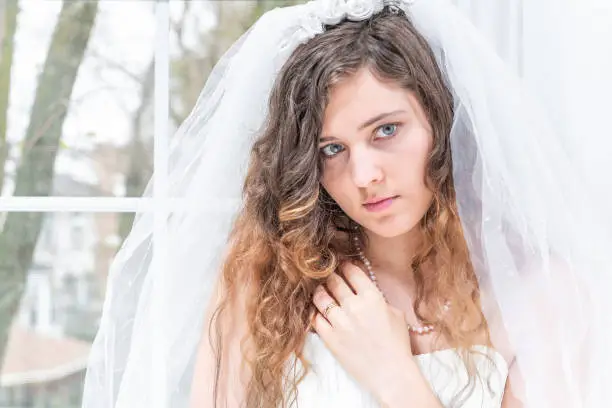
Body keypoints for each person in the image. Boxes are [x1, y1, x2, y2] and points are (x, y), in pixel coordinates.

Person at [81, 1, 612, 407]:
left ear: (443, 124)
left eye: (386, 130)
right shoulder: (265, 280)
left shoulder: (541, 293)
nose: (363, 176)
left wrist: (395, 376)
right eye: (331, 149)